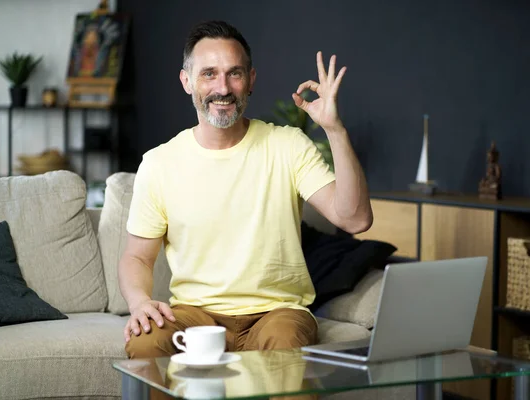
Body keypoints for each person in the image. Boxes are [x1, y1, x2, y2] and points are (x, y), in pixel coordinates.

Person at [119, 20, 373, 360]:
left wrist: (335, 130)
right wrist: (139, 302)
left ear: (251, 80)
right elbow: (137, 256)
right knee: (145, 342)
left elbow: (355, 219)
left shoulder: (287, 146)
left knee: (286, 346)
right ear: (186, 81)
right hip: (194, 314)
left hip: (277, 312)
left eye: (234, 73)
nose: (222, 87)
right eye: (209, 73)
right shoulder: (159, 163)